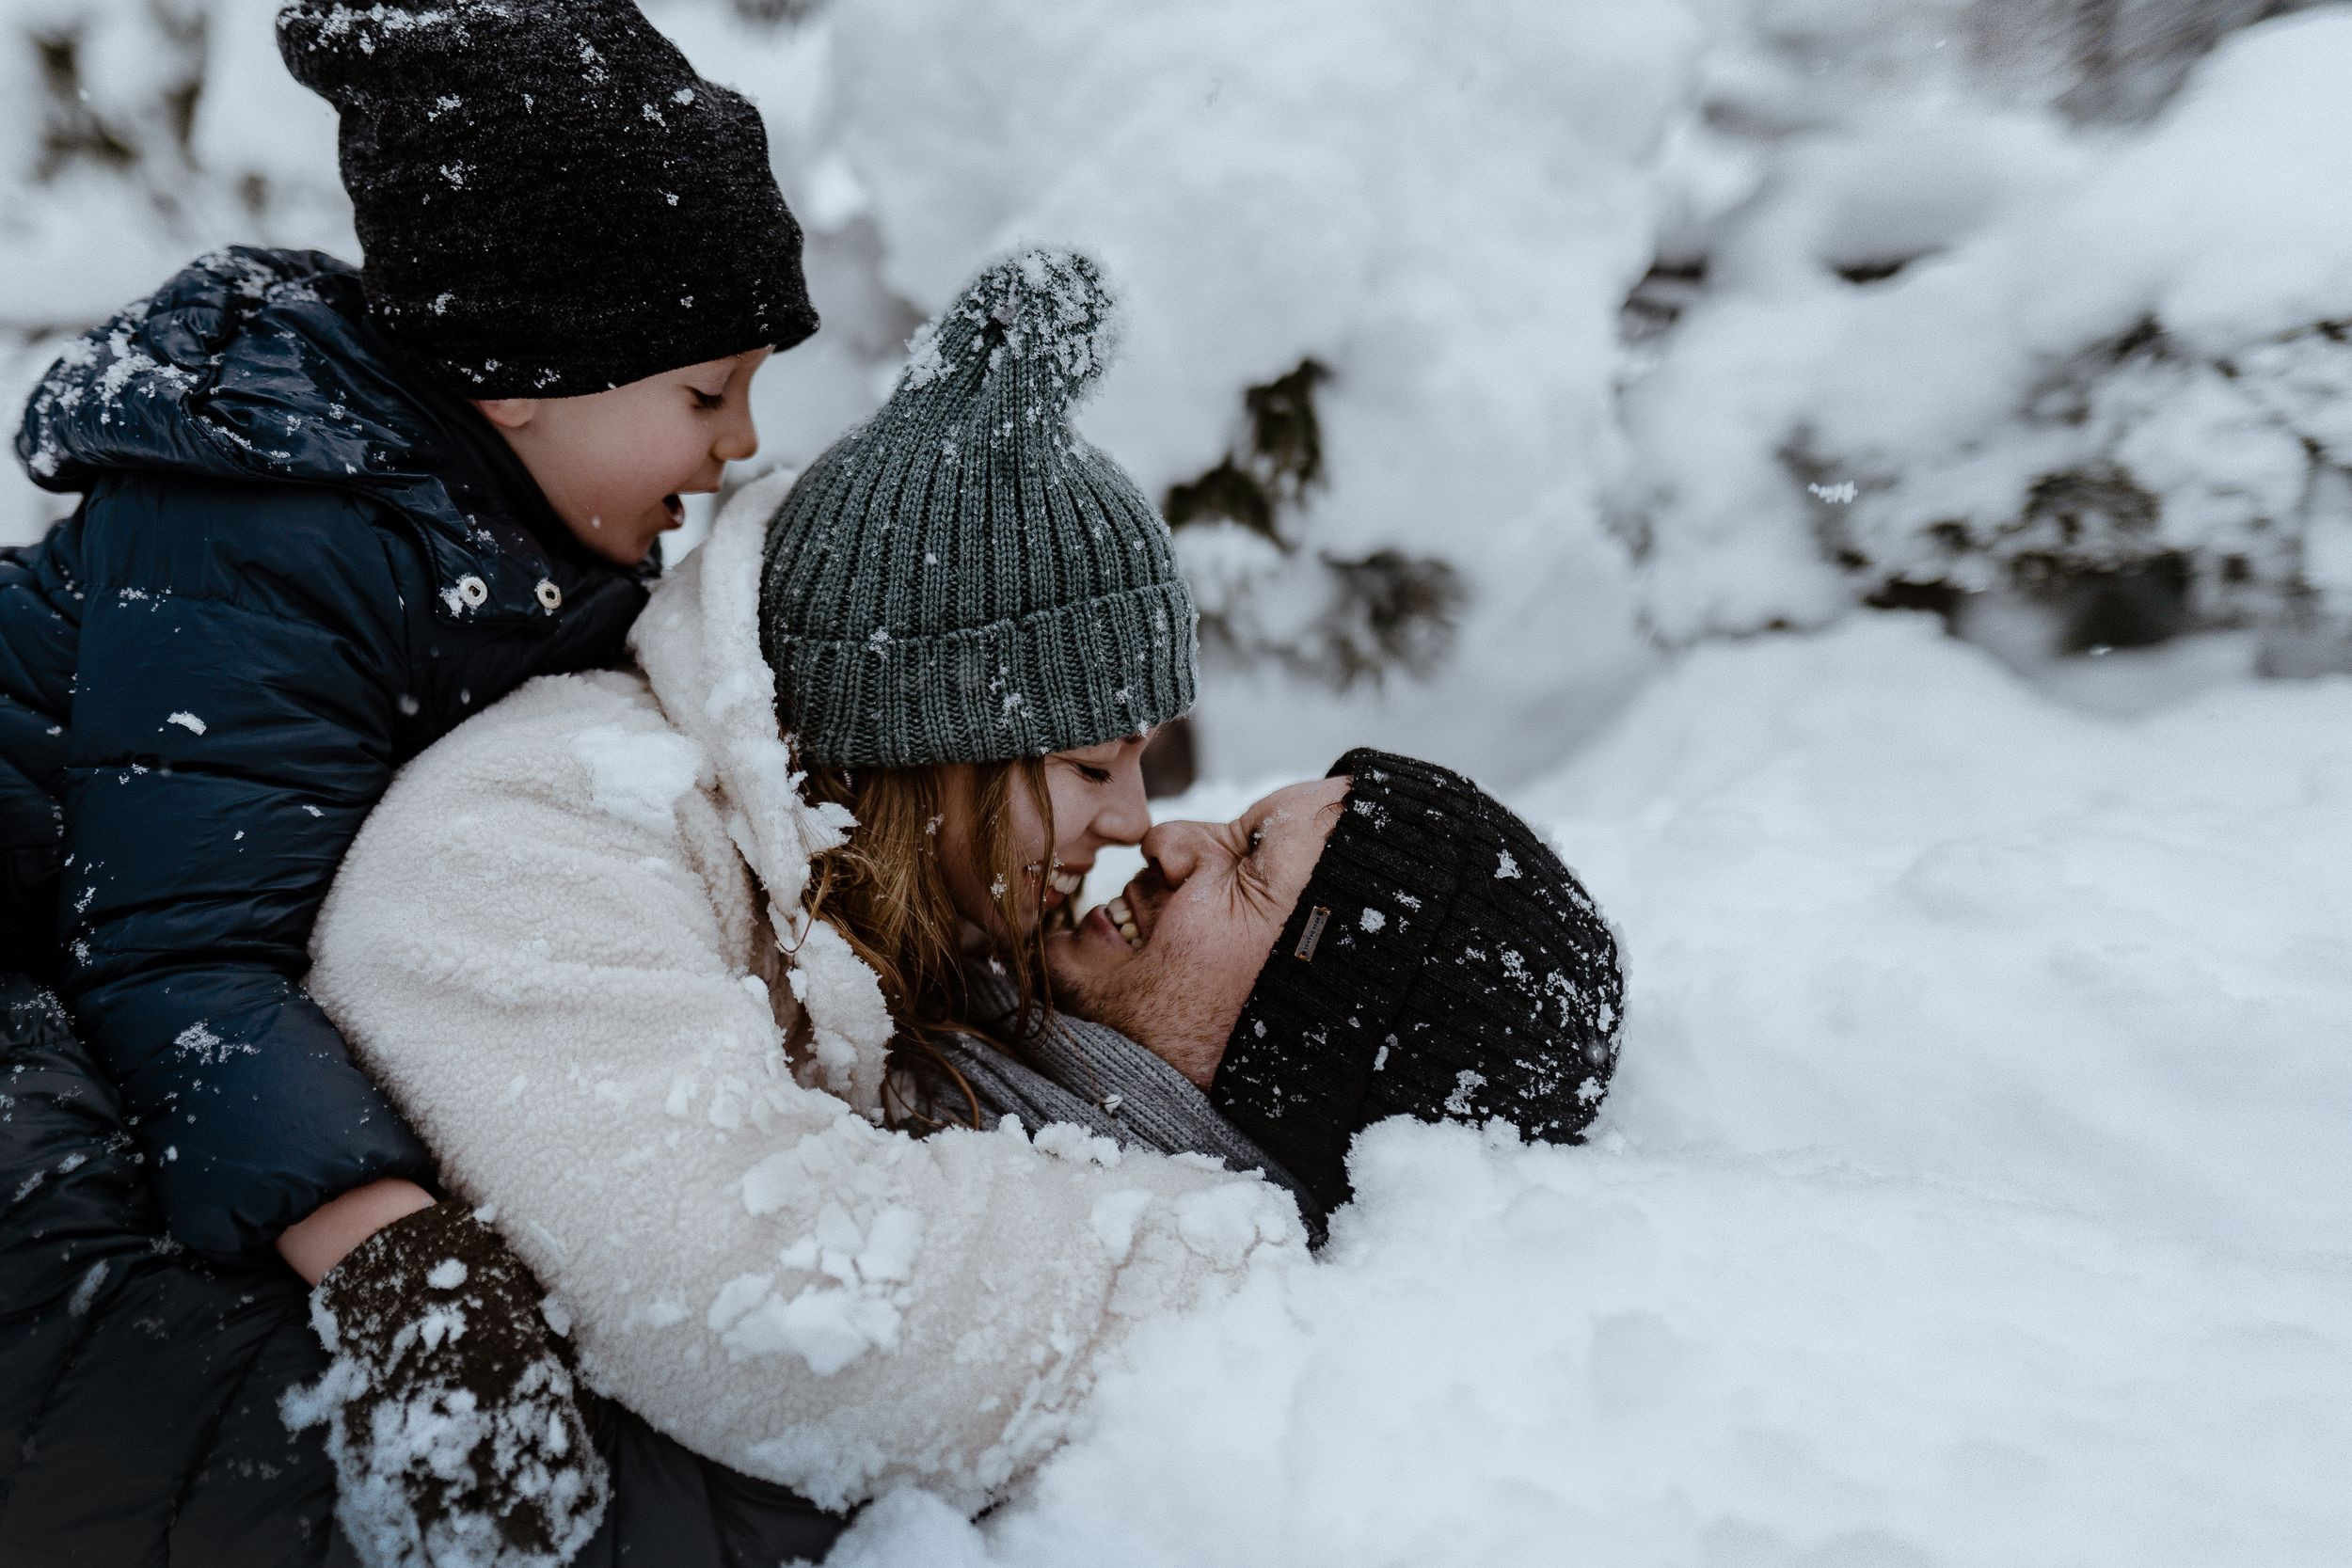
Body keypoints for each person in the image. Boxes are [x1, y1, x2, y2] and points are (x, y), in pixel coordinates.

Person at [297, 249, 1626, 1537]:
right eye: (1093, 763)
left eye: (1234, 848)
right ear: (928, 745)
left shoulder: (900, 942)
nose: (1141, 831)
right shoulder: (556, 822)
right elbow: (767, 1298)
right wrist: (1224, 1251)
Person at [0, 0, 818, 1559]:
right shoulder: (278, 533)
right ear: (522, 380)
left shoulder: (484, 517)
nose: (738, 446)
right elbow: (179, 945)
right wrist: (398, 1260)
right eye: (706, 394)